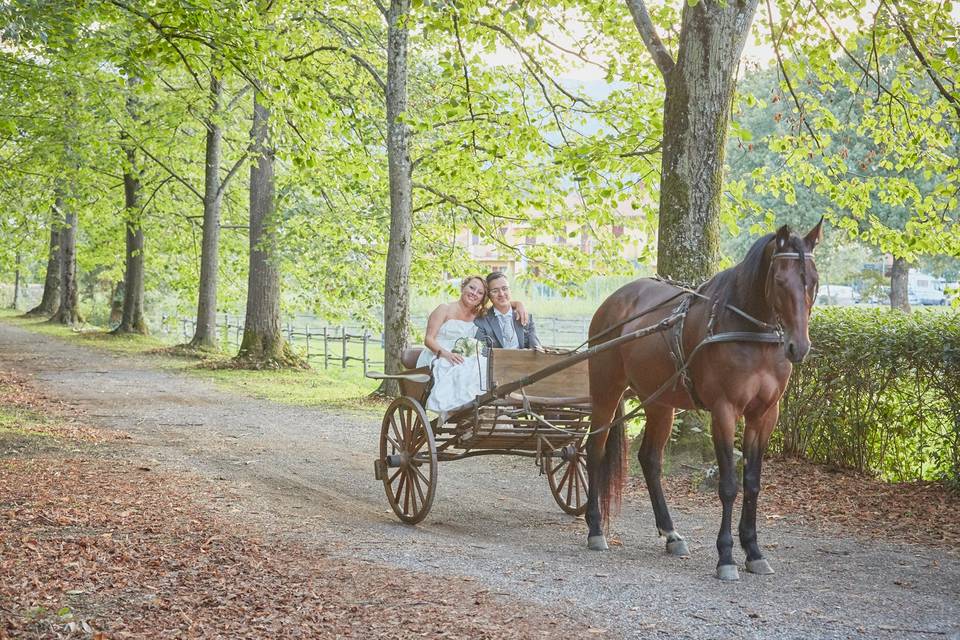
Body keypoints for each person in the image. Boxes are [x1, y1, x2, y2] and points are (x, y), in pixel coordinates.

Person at [475, 272, 540, 350]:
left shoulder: (525, 316)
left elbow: (536, 348)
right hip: (494, 361)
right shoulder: (481, 321)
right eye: (495, 291)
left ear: (510, 290)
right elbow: (482, 352)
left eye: (505, 288)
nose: (501, 294)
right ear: (488, 295)